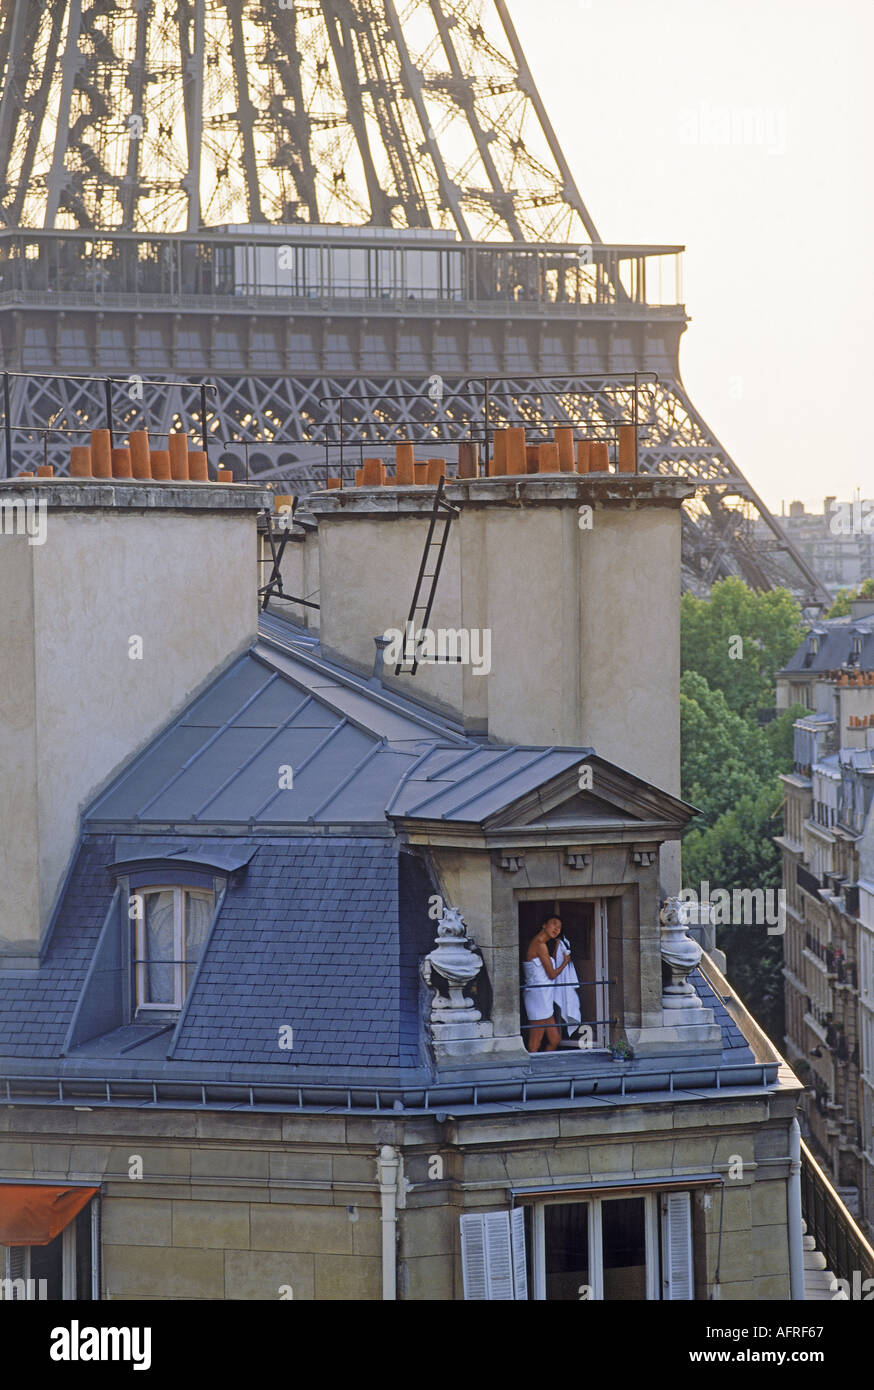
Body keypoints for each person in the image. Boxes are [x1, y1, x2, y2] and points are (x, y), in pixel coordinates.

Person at [523, 915, 573, 1052]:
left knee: (555, 1039)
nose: (557, 928)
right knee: (535, 1041)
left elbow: (549, 962)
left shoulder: (543, 946)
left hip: (545, 997)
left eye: (559, 927)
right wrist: (565, 962)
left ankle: (543, 1063)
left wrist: (557, 947)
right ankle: (532, 1070)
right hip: (538, 997)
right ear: (544, 925)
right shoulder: (539, 945)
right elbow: (551, 974)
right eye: (554, 924)